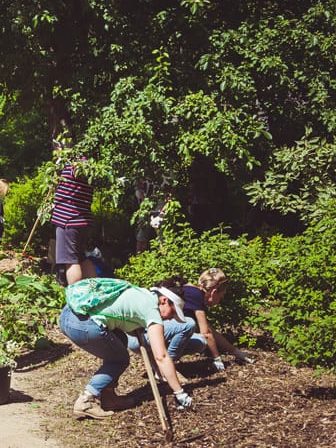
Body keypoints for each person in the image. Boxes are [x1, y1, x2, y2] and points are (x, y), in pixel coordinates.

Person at [59, 277, 194, 419]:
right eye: (173, 312)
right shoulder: (152, 311)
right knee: (119, 360)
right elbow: (162, 357)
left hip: (68, 315)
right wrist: (179, 392)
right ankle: (86, 400)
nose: (171, 318)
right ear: (164, 301)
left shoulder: (142, 293)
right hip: (82, 325)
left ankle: (109, 397)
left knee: (120, 339)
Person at [180, 268, 254, 369]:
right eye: (220, 297)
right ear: (214, 292)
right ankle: (164, 368)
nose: (219, 301)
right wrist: (217, 358)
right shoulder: (196, 296)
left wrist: (236, 352)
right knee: (200, 342)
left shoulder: (191, 291)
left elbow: (211, 331)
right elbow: (205, 334)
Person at [51, 157, 96, 286]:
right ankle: (95, 292)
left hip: (68, 220)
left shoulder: (72, 165)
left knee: (70, 261)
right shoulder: (90, 167)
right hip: (82, 220)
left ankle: (76, 297)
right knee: (81, 258)